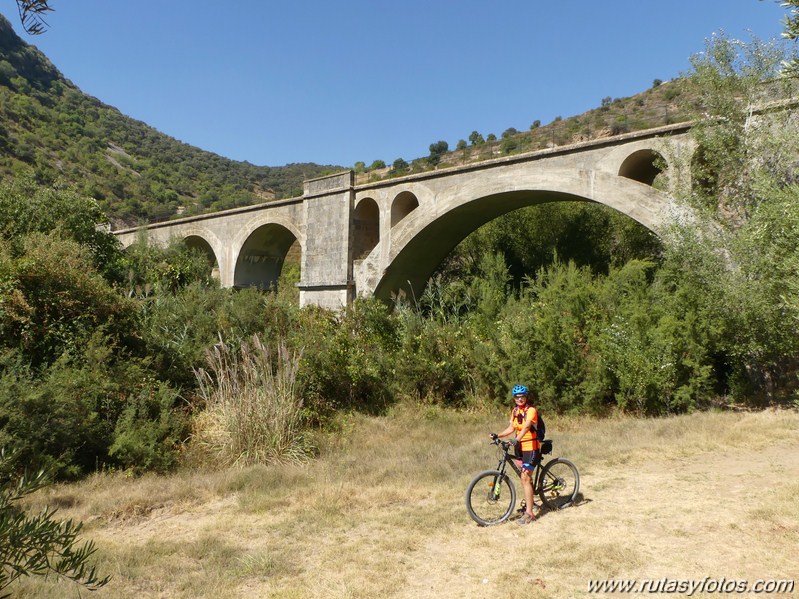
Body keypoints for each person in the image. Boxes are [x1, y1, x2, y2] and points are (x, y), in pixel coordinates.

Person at [493, 384, 540, 525]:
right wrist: (498, 435)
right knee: (524, 477)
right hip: (519, 448)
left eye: (522, 396)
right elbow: (511, 428)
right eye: (517, 397)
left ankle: (530, 513)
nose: (520, 399)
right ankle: (532, 503)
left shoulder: (531, 410)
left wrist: (516, 439)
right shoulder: (514, 411)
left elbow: (526, 427)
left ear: (526, 397)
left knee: (525, 477)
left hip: (531, 447)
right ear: (514, 398)